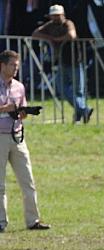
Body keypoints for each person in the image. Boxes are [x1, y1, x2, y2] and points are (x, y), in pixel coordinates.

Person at [0, 50, 49, 233]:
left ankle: (33, 220)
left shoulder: (19, 87)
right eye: (12, 65)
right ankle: (1, 221)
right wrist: (6, 108)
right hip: (0, 138)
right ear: (2, 65)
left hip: (17, 136)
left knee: (27, 180)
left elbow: (21, 110)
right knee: (0, 184)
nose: (15, 69)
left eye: (17, 66)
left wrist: (23, 112)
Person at [32, 4, 92, 124]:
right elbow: (35, 34)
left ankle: (79, 117)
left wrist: (57, 40)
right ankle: (84, 110)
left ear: (62, 15)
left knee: (78, 90)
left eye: (57, 16)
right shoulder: (50, 25)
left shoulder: (68, 23)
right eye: (53, 16)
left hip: (75, 60)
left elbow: (72, 35)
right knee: (61, 88)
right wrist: (49, 38)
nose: (55, 18)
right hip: (61, 62)